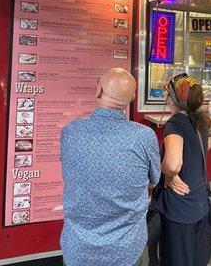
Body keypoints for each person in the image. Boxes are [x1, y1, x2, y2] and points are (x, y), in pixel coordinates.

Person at [60, 68, 160, 266]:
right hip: (128, 250)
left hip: (79, 249)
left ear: (98, 91)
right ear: (132, 98)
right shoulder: (144, 137)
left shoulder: (70, 132)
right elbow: (154, 180)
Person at [153, 73, 211, 266]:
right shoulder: (199, 119)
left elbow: (173, 165)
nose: (165, 97)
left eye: (167, 93)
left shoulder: (174, 124)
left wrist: (168, 171)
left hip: (180, 210)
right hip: (200, 206)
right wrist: (191, 154)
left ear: (172, 99)